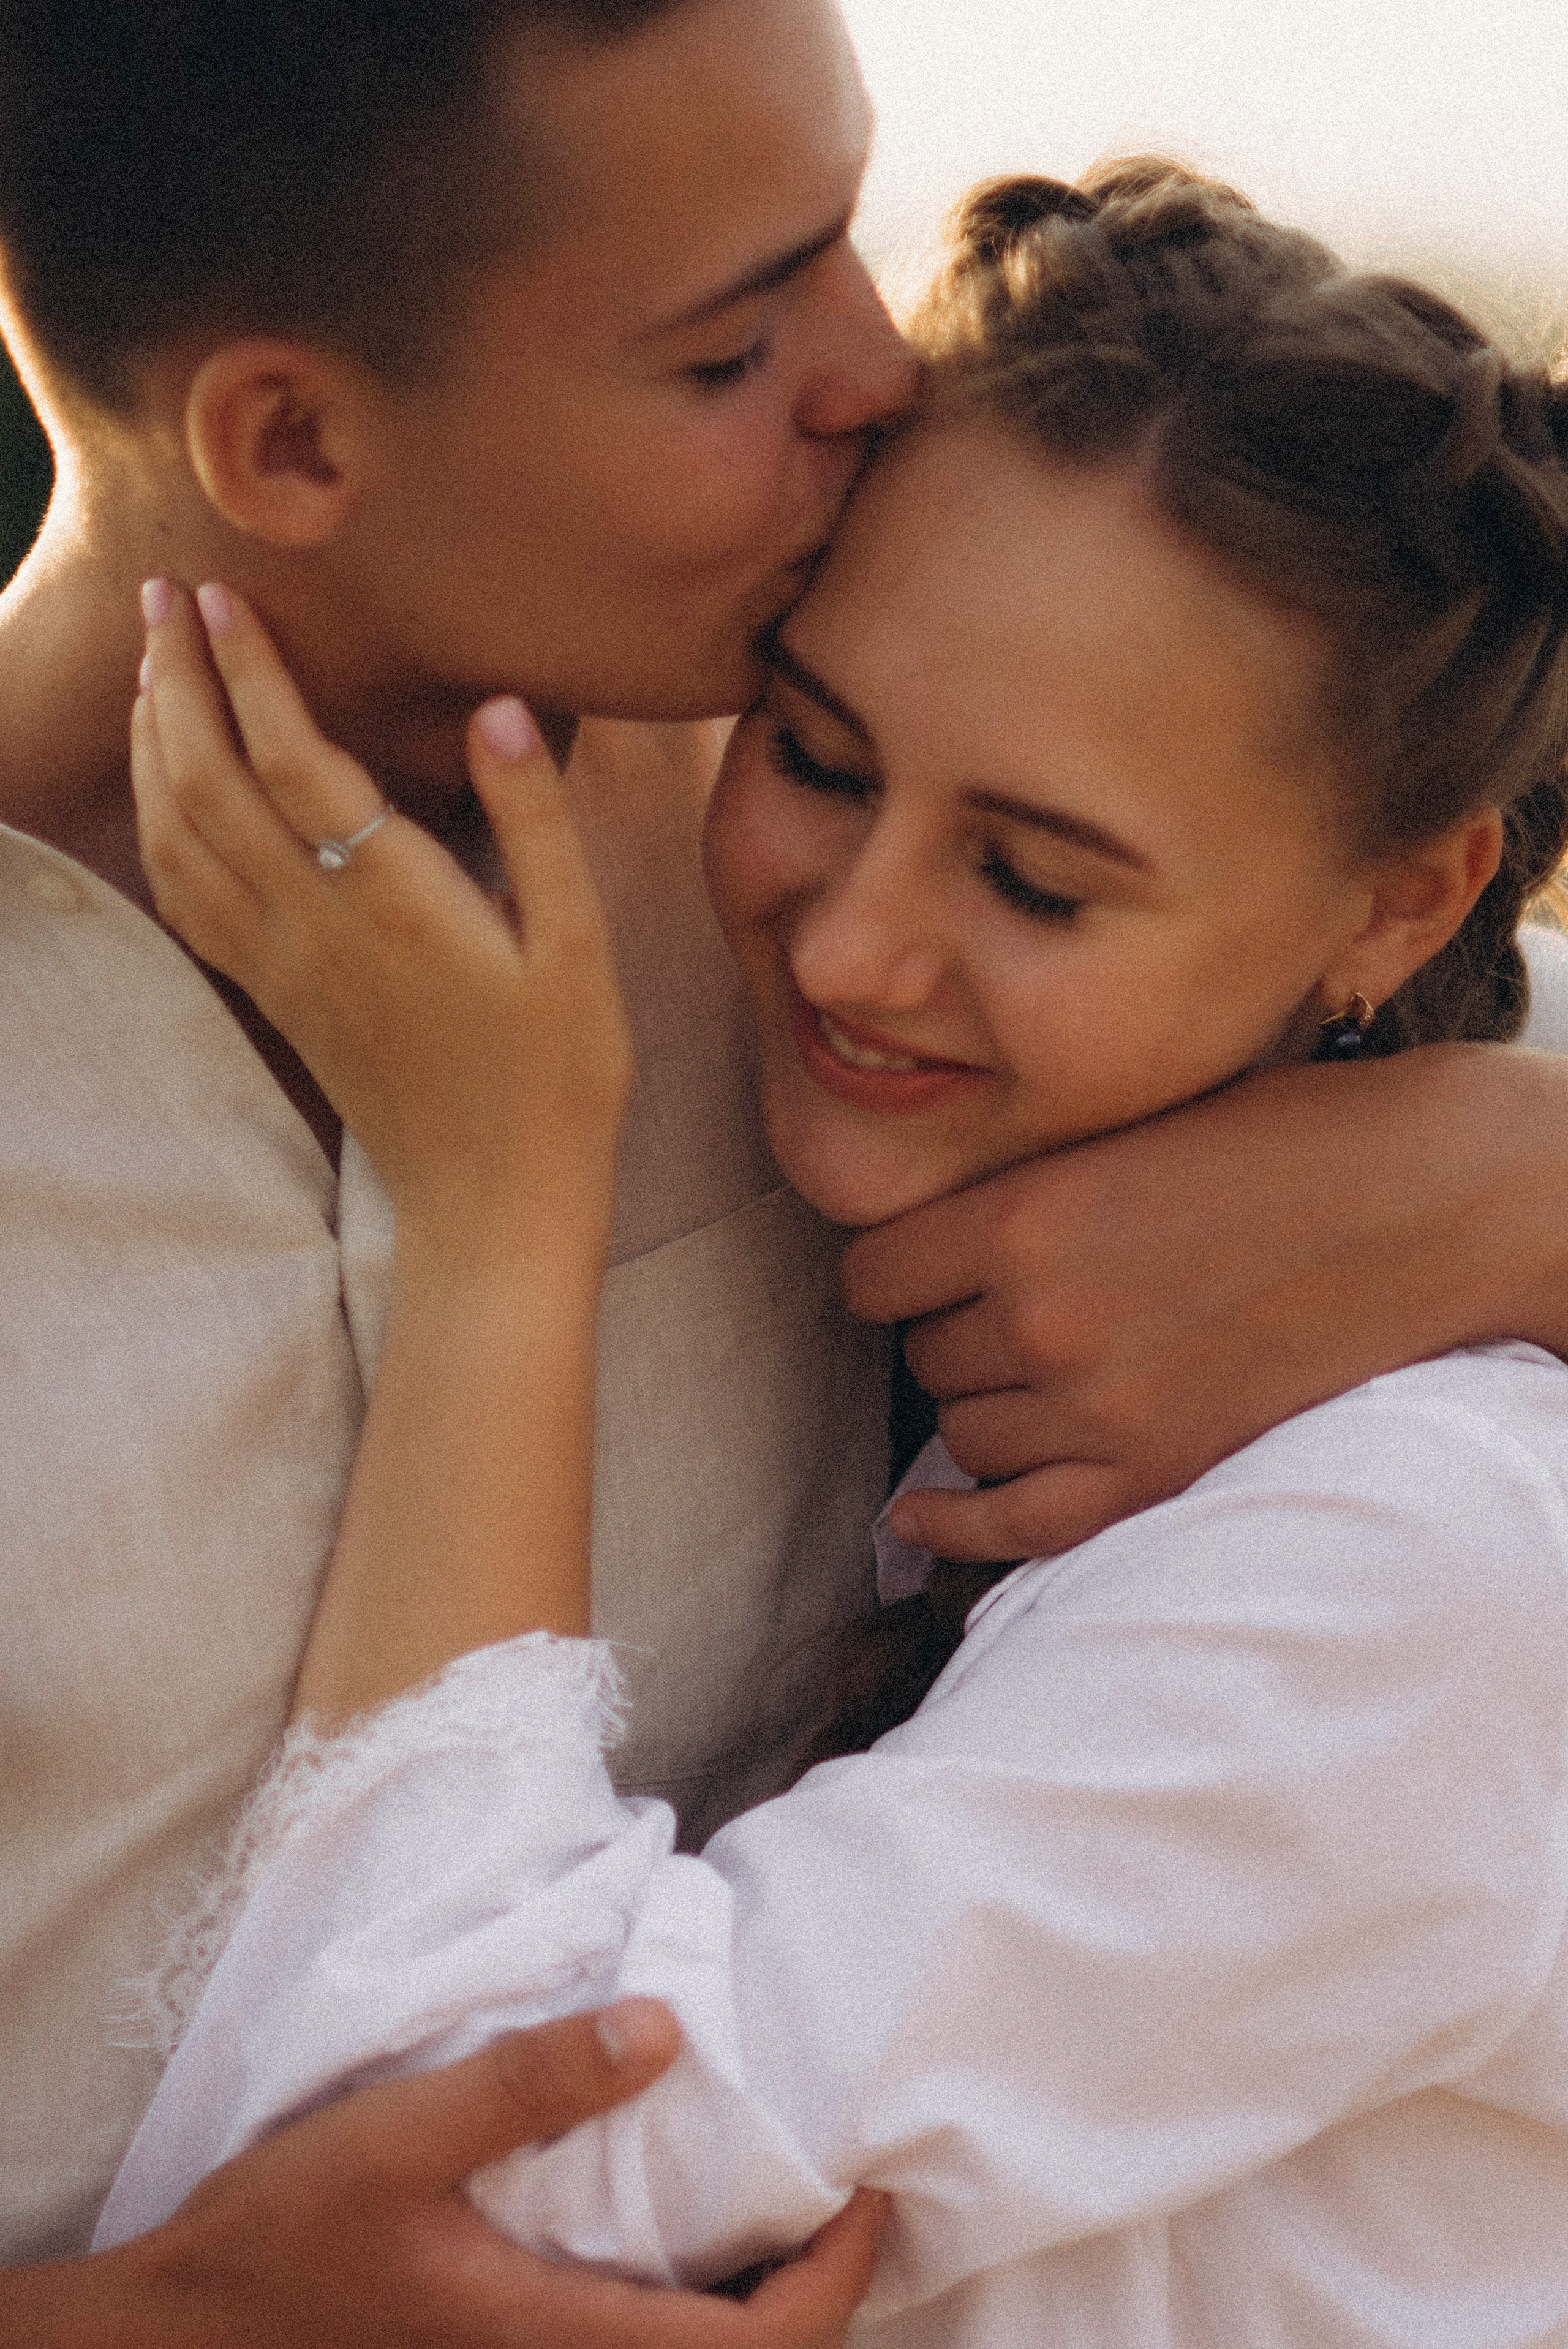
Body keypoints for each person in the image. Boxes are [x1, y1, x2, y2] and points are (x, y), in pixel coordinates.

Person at [1, 1, 1567, 2336]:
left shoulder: (852, 753)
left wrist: (1508, 1170)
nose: (876, 370)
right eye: (737, 339)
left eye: (849, 227)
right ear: (293, 435)